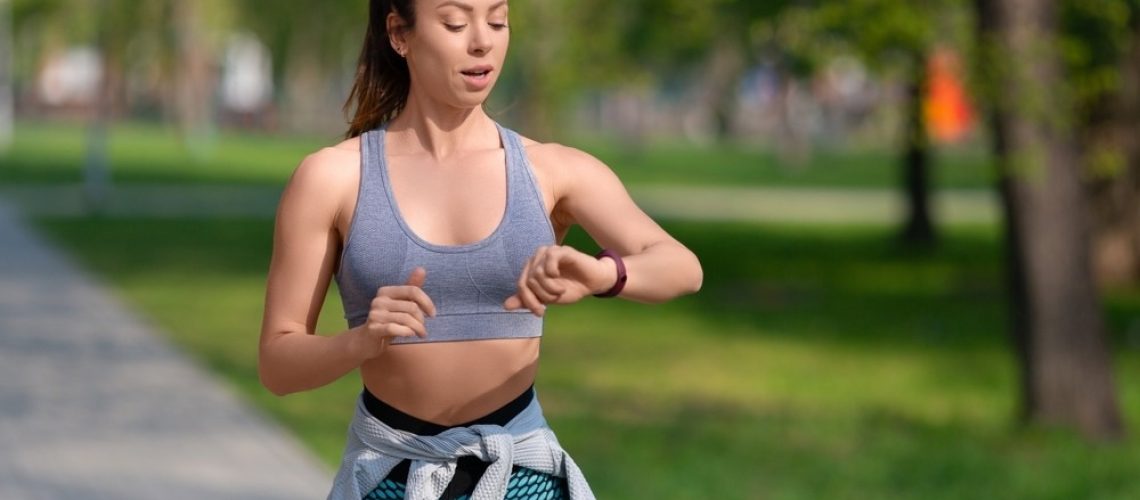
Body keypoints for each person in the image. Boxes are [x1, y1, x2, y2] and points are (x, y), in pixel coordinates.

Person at [257, 0, 703, 498]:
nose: (482, 40)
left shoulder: (552, 170)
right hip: (391, 478)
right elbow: (277, 364)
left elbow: (682, 268)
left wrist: (604, 276)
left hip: (522, 477)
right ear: (400, 34)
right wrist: (359, 342)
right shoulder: (333, 177)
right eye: (454, 22)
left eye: (497, 21)